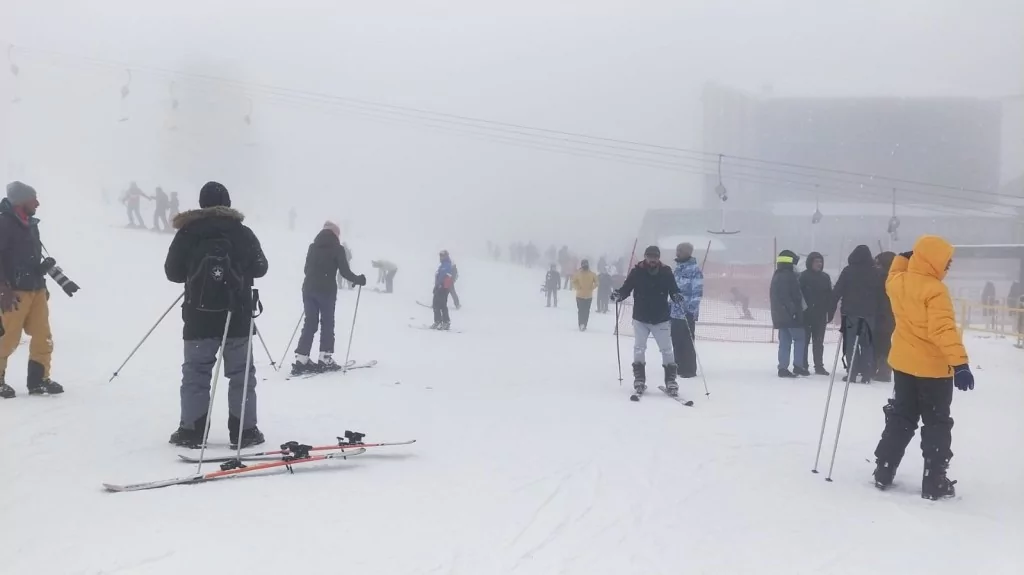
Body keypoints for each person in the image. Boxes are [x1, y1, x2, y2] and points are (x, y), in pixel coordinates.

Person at [164, 181, 268, 449]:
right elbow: (261, 267)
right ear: (228, 202)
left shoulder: (189, 232)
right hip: (237, 315)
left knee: (196, 374)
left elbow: (172, 272)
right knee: (241, 374)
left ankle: (192, 431)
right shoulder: (242, 233)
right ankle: (245, 432)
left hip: (198, 318)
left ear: (202, 203)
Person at [872, 236, 972, 500]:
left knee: (901, 417)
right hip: (934, 372)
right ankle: (934, 480)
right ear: (932, 261)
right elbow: (942, 330)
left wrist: (902, 258)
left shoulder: (898, 282)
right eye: (946, 261)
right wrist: (960, 363)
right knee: (936, 424)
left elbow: (892, 274)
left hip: (904, 366)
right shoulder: (935, 290)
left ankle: (884, 468)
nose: (948, 266)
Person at [0, 182, 64, 399]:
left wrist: (42, 278)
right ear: (20, 201)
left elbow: (30, 259)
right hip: (13, 292)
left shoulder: (31, 224)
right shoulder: (4, 223)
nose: (37, 203)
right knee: (7, 337)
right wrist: (2, 288)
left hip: (36, 289)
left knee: (42, 336)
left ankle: (39, 381)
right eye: (33, 199)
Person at [292, 222, 366, 375]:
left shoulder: (313, 247)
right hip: (326, 291)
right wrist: (358, 279)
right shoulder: (338, 249)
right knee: (327, 323)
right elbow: (344, 272)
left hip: (308, 289)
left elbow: (306, 269)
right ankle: (325, 358)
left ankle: (302, 358)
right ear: (335, 234)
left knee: (310, 322)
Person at [611, 246, 682, 396]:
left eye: (655, 257)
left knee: (666, 349)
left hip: (661, 318)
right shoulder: (637, 271)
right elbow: (626, 288)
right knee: (639, 348)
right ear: (645, 257)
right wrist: (619, 295)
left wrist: (676, 296)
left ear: (658, 258)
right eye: (650, 257)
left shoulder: (666, 271)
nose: (652, 260)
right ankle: (639, 379)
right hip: (641, 318)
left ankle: (671, 381)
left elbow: (673, 289)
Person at [830, 245, 884, 383]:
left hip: (850, 313)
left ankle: (852, 373)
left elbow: (837, 290)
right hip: (869, 313)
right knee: (867, 344)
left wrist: (830, 308)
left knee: (850, 343)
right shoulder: (875, 272)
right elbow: (881, 294)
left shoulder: (848, 271)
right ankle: (866, 373)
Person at [770, 250, 807, 377]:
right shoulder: (789, 276)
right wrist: (794, 311)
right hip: (791, 315)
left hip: (780, 315)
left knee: (785, 341)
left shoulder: (777, 275)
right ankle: (798, 366)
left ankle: (783, 368)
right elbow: (789, 296)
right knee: (800, 338)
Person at [670, 242, 703, 380]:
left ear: (688, 252)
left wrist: (691, 309)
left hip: (686, 312)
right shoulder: (677, 269)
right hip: (674, 311)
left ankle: (689, 369)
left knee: (687, 341)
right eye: (677, 250)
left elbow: (697, 291)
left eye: (680, 250)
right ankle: (678, 366)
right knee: (676, 340)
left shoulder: (694, 270)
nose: (677, 253)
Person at [799, 252, 833, 375]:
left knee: (818, 342)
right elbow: (799, 295)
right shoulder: (803, 276)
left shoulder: (825, 277)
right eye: (816, 261)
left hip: (820, 315)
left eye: (820, 261)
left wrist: (830, 311)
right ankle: (803, 365)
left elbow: (830, 296)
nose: (819, 264)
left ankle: (819, 366)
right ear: (810, 263)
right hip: (806, 315)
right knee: (804, 342)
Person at [873, 252, 896, 382]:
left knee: (880, 342)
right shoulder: (896, 277)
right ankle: (884, 369)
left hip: (881, 314)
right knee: (885, 342)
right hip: (890, 315)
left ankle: (881, 369)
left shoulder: (880, 277)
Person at [572, 258, 599, 331]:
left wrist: (592, 287)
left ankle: (584, 324)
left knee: (587, 311)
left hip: (588, 296)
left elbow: (597, 282)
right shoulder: (578, 273)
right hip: (579, 296)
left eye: (586, 264)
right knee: (581, 310)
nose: (585, 265)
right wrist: (578, 287)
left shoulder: (592, 274)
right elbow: (573, 281)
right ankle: (581, 324)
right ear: (581, 265)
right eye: (583, 264)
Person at [432, 250, 455, 330]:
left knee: (441, 305)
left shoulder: (446, 265)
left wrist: (439, 285)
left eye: (442, 256)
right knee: (436, 304)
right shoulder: (443, 265)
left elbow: (443, 276)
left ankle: (445, 322)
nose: (440, 257)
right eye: (440, 256)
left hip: (443, 288)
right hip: (440, 287)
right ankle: (438, 321)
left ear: (446, 256)